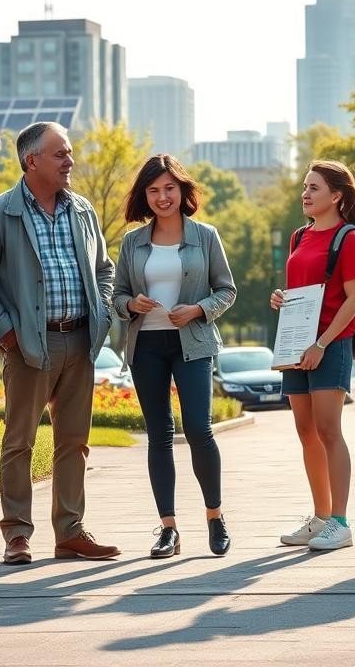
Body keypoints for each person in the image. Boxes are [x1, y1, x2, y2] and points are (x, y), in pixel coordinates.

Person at [0, 121, 118, 565]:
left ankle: (70, 533)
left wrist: (103, 311)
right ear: (31, 161)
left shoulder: (83, 210)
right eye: (60, 154)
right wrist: (7, 331)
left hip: (80, 340)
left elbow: (104, 269)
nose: (69, 161)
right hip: (27, 346)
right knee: (19, 441)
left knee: (74, 442)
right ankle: (17, 535)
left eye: (70, 153)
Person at [113, 155, 236, 558]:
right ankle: (168, 529)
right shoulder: (132, 242)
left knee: (199, 429)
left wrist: (198, 309)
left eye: (169, 188)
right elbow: (117, 294)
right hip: (146, 345)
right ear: (144, 195)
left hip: (193, 344)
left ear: (182, 190)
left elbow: (226, 290)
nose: (162, 197)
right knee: (159, 434)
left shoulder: (205, 236)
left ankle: (215, 517)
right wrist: (131, 304)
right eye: (153, 190)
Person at [270, 160, 355, 552]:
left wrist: (321, 344)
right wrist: (281, 298)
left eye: (314, 188)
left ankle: (340, 522)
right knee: (305, 431)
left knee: (328, 430)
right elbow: (303, 290)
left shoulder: (348, 238)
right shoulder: (299, 237)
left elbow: (354, 299)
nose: (305, 193)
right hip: (295, 345)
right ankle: (320, 518)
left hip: (330, 345)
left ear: (337, 195)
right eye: (305, 186)